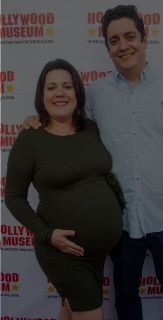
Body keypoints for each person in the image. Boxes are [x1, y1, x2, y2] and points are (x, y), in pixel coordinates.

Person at [23, 5, 163, 320]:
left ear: (144, 37)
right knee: (126, 304)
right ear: (107, 47)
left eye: (129, 36)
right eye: (114, 40)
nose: (123, 46)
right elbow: (66, 128)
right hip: (117, 224)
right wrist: (39, 120)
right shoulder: (94, 96)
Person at [6, 59, 123, 320]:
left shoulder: (90, 129)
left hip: (97, 253)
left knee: (69, 312)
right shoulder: (30, 139)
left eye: (67, 86)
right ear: (41, 95)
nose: (60, 93)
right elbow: (13, 197)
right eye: (51, 88)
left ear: (77, 92)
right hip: (62, 252)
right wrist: (47, 234)